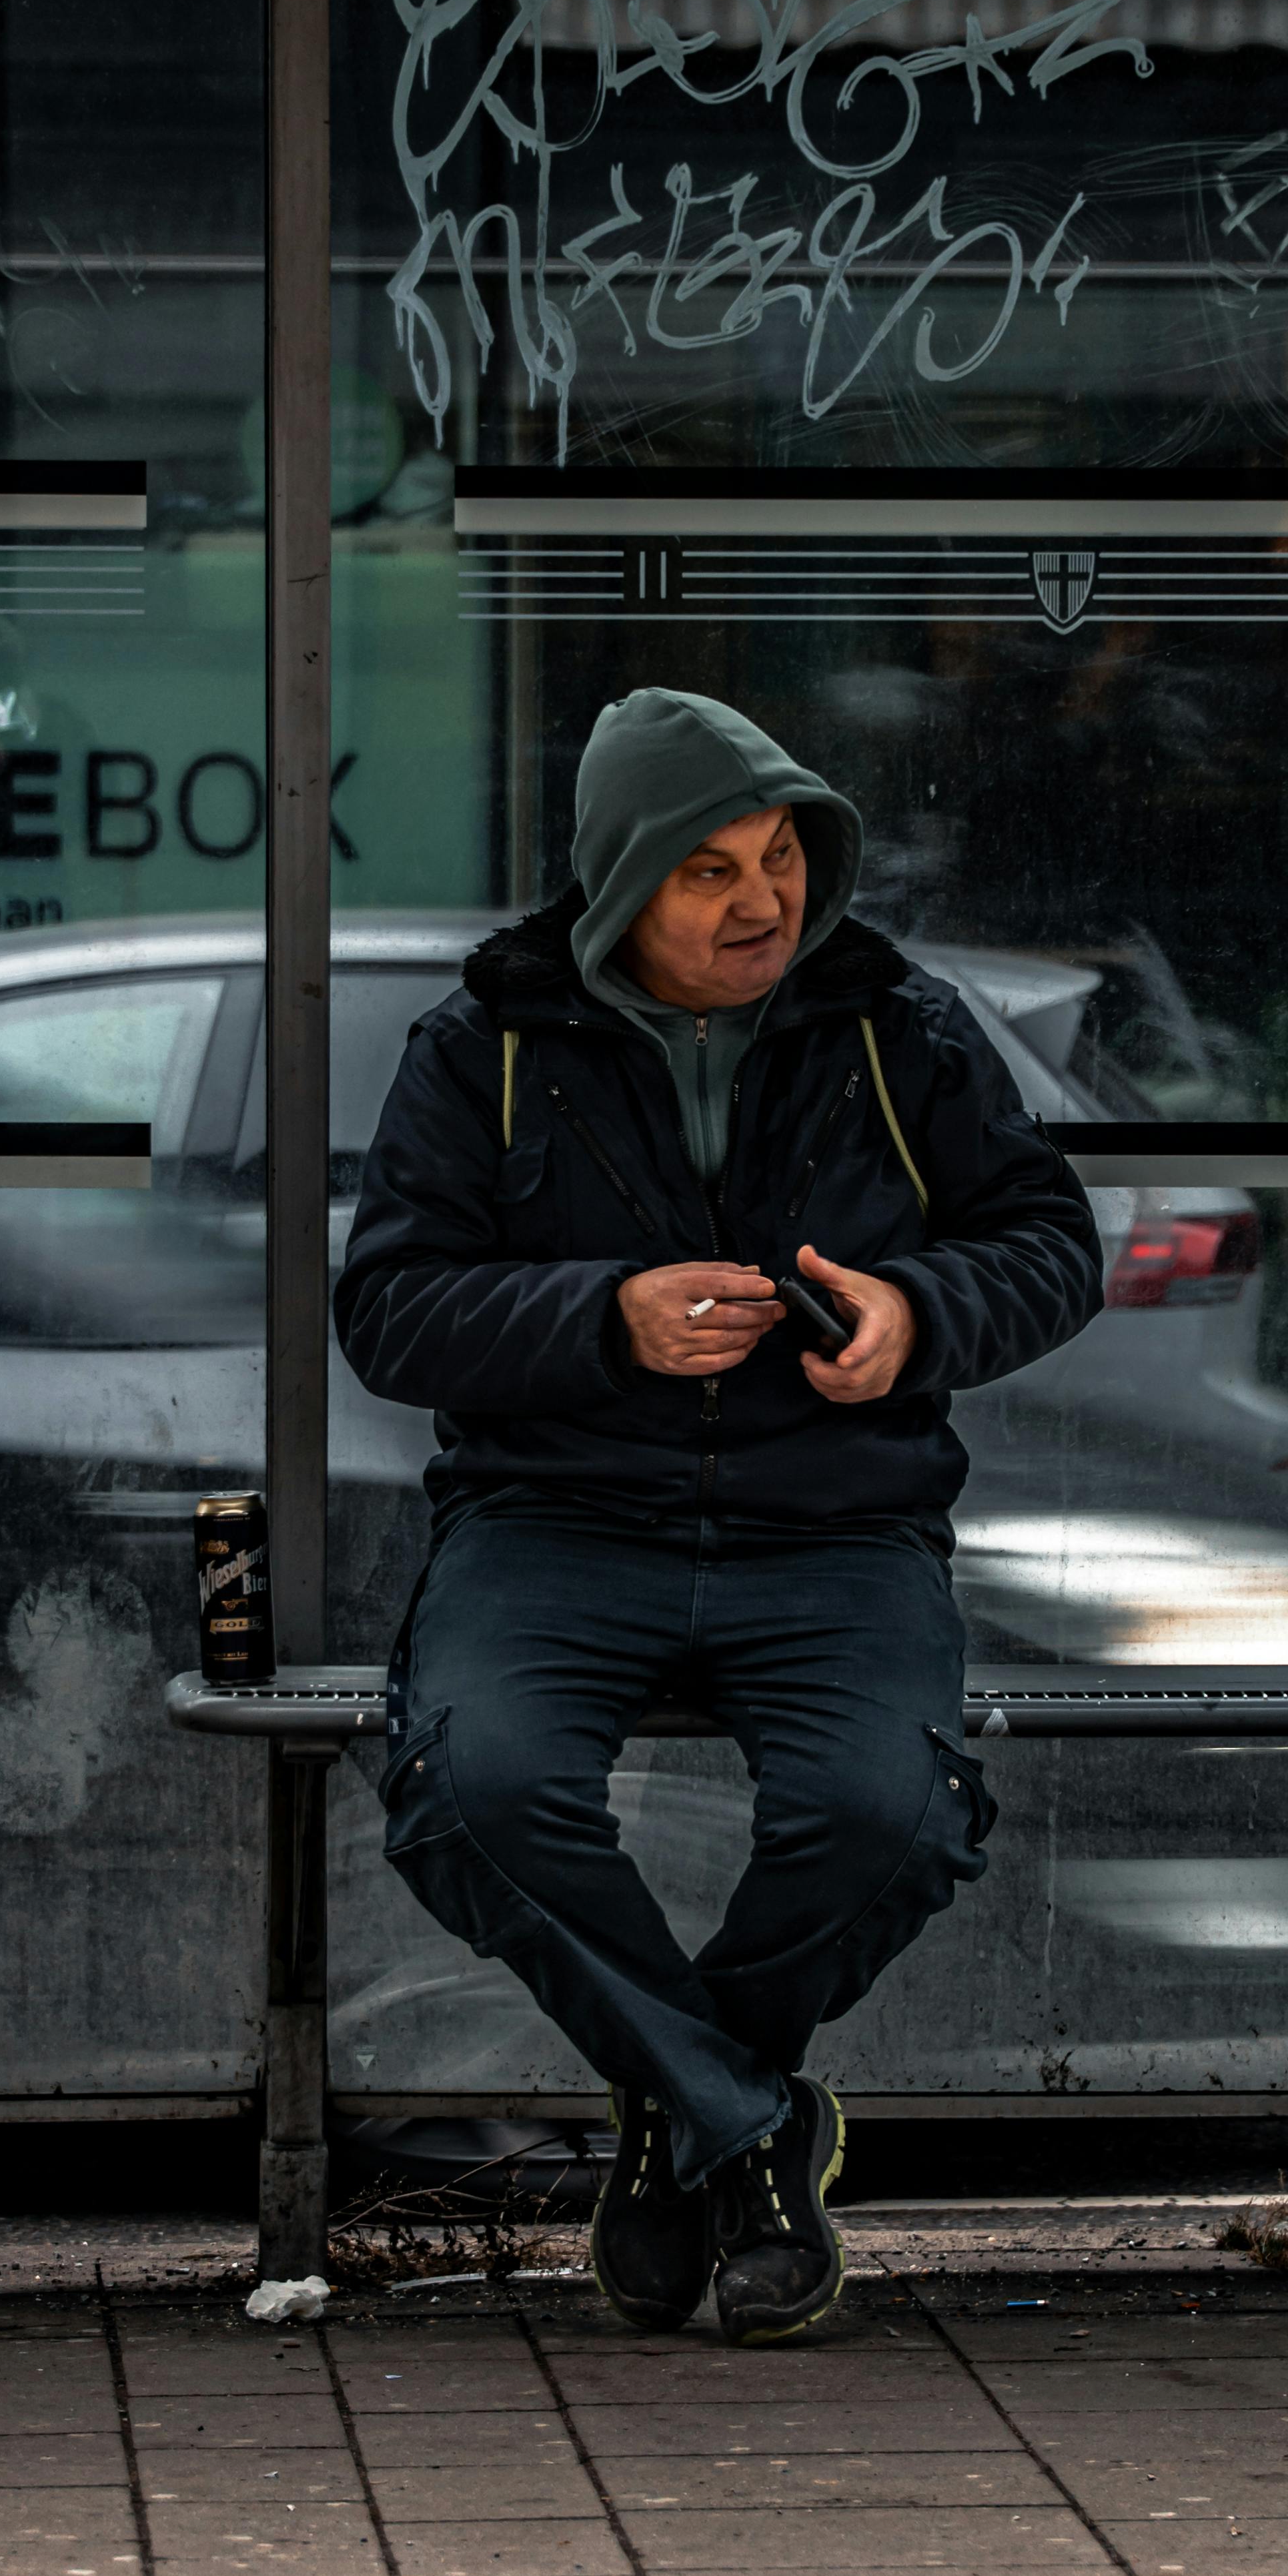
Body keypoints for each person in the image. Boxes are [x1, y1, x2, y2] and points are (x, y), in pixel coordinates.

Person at [333, 687, 1103, 2342]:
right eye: (709, 871)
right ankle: (748, 2129)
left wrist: (914, 1313)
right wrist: (603, 1318)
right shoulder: (483, 1048)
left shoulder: (901, 1028)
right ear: (622, 886)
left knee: (892, 1815)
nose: (764, 902)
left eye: (782, 858)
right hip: (554, 1524)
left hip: (837, 1529)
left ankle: (679, 2113)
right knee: (469, 1790)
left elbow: (1049, 1243)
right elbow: (388, 1313)